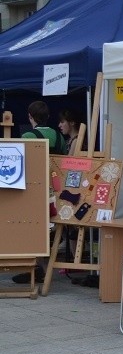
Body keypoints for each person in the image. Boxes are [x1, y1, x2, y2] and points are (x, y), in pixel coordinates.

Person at [13, 101, 68, 284]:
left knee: (32, 229)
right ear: (48, 116)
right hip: (56, 191)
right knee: (49, 231)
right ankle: (44, 267)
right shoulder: (59, 138)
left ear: (30, 116)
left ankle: (36, 268)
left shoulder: (28, 136)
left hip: (34, 190)